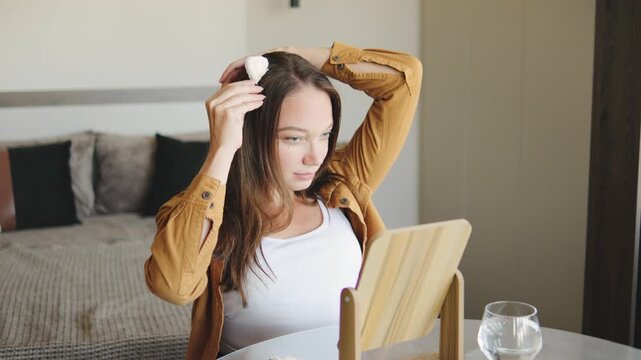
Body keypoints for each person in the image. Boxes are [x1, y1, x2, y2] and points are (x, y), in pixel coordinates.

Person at [144, 41, 422, 359]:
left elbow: (403, 79)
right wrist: (222, 149)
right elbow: (173, 287)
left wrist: (297, 56)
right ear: (250, 133)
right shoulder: (212, 215)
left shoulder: (341, 184)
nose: (315, 156)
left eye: (325, 134)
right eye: (293, 138)